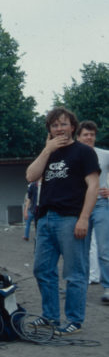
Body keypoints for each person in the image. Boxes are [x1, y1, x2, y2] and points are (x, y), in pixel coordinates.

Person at [26, 107, 100, 335]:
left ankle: (74, 321)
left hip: (71, 219)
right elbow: (30, 176)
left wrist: (84, 218)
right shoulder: (49, 152)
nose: (59, 128)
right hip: (45, 219)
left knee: (74, 272)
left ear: (73, 127)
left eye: (63, 124)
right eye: (54, 125)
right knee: (42, 269)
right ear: (49, 129)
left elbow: (93, 186)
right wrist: (47, 149)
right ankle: (50, 316)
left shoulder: (83, 152)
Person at [76, 120, 109, 302]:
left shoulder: (104, 155)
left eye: (92, 134)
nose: (89, 138)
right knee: (81, 249)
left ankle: (108, 287)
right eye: (85, 134)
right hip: (79, 208)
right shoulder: (72, 155)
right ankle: (79, 287)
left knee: (104, 248)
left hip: (101, 205)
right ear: (78, 137)